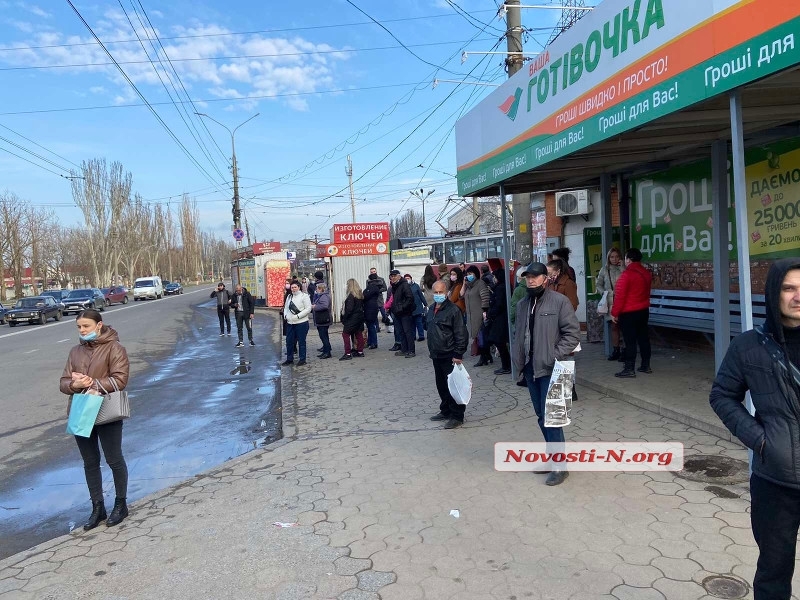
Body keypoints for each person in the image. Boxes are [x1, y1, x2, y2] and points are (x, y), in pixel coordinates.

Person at [709, 259, 800, 599]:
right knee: (774, 572)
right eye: (788, 288)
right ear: (773, 293)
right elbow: (722, 396)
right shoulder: (749, 346)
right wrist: (761, 441)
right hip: (775, 481)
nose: (797, 296)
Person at [59, 309, 131, 529]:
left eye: (86, 326)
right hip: (81, 410)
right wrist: (74, 385)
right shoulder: (75, 351)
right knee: (90, 462)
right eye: (79, 327)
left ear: (99, 325)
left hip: (106, 410)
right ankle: (97, 508)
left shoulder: (115, 348)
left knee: (113, 459)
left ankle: (121, 504)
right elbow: (63, 382)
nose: (82, 331)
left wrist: (92, 382)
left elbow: (120, 380)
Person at [512, 262, 580, 486]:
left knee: (553, 419)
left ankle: (560, 467)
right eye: (527, 277)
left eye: (535, 277)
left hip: (554, 369)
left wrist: (553, 355)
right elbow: (519, 335)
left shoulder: (559, 302)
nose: (530, 281)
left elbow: (572, 335)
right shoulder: (523, 304)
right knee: (542, 416)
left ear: (545, 278)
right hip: (532, 369)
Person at [427, 280, 469, 429]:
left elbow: (461, 334)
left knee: (454, 386)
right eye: (436, 292)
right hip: (436, 354)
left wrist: (458, 353)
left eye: (441, 292)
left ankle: (457, 415)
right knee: (442, 385)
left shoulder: (453, 310)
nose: (438, 295)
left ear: (446, 293)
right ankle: (445, 410)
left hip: (450, 355)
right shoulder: (431, 309)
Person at [611, 248, 652, 378]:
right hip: (643, 310)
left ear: (628, 259)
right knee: (644, 339)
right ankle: (645, 365)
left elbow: (619, 296)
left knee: (630, 341)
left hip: (628, 313)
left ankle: (629, 368)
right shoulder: (646, 273)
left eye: (625, 258)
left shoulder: (626, 275)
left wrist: (614, 313)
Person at [595, 248, 625, 361]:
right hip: (610, 302)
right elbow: (598, 284)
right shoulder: (604, 269)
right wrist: (604, 293)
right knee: (614, 326)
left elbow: (628, 279)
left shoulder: (623, 269)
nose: (614, 259)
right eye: (612, 257)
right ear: (608, 258)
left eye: (617, 256)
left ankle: (625, 350)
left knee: (624, 326)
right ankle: (616, 350)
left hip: (623, 301)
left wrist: (622, 267)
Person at [464, 265, 492, 367]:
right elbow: (461, 294)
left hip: (479, 315)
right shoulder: (468, 285)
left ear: (476, 274)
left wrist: (484, 311)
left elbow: (485, 298)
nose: (469, 276)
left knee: (481, 338)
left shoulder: (480, 284)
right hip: (471, 315)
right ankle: (487, 356)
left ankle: (483, 357)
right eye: (467, 274)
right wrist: (464, 283)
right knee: (478, 337)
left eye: (471, 274)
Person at [486, 267, 511, 374]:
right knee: (500, 342)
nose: (494, 279)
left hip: (500, 319)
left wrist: (490, 313)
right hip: (502, 318)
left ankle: (506, 366)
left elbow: (499, 304)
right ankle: (507, 365)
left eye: (495, 277)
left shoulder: (500, 288)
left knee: (499, 342)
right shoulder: (503, 286)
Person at [282, 281, 312, 366]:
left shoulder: (304, 296)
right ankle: (289, 359)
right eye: (292, 287)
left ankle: (302, 359)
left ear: (299, 287)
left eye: (295, 287)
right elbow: (286, 308)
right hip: (290, 323)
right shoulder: (289, 296)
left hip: (301, 323)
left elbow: (308, 309)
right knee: (289, 341)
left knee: (301, 342)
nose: (293, 289)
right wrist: (286, 316)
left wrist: (298, 316)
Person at [388, 269, 416, 357]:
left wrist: (402, 307)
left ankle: (411, 350)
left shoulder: (404, 285)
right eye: (391, 276)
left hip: (405, 313)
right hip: (397, 313)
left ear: (399, 276)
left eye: (394, 276)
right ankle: (404, 349)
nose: (392, 278)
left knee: (407, 332)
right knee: (401, 332)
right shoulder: (394, 286)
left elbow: (410, 298)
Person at [339, 279, 366, 360]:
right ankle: (360, 351)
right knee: (358, 334)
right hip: (360, 317)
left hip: (352, 318)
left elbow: (349, 309)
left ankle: (347, 353)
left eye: (347, 284)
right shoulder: (359, 295)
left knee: (345, 334)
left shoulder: (351, 296)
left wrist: (344, 318)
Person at [311, 283, 332, 359]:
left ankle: (327, 352)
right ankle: (326, 350)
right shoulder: (323, 296)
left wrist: (315, 307)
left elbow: (324, 306)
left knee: (323, 336)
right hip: (322, 319)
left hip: (323, 319)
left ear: (321, 289)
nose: (316, 290)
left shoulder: (324, 296)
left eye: (317, 288)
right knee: (324, 336)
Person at [405, 273, 428, 342]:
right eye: (405, 279)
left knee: (419, 322)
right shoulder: (404, 287)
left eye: (408, 278)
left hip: (418, 307)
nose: (407, 280)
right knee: (412, 324)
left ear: (411, 279)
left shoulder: (416, 286)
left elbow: (421, 295)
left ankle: (421, 336)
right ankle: (413, 336)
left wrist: (425, 304)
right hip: (409, 308)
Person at [363, 274, 383, 349]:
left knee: (371, 326)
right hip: (373, 307)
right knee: (370, 325)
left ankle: (373, 343)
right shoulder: (377, 286)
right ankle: (370, 342)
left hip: (370, 308)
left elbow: (365, 295)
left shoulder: (372, 287)